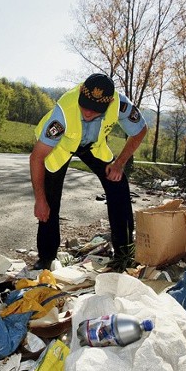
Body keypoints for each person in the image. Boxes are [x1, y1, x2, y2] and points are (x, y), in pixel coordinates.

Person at [29, 73, 147, 272]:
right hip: (60, 147)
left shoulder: (120, 104)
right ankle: (46, 257)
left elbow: (140, 130)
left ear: (108, 103)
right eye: (85, 106)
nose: (88, 113)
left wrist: (119, 163)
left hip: (92, 145)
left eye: (96, 110)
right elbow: (36, 158)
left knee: (119, 185)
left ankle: (124, 251)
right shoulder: (63, 111)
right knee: (48, 202)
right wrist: (39, 200)